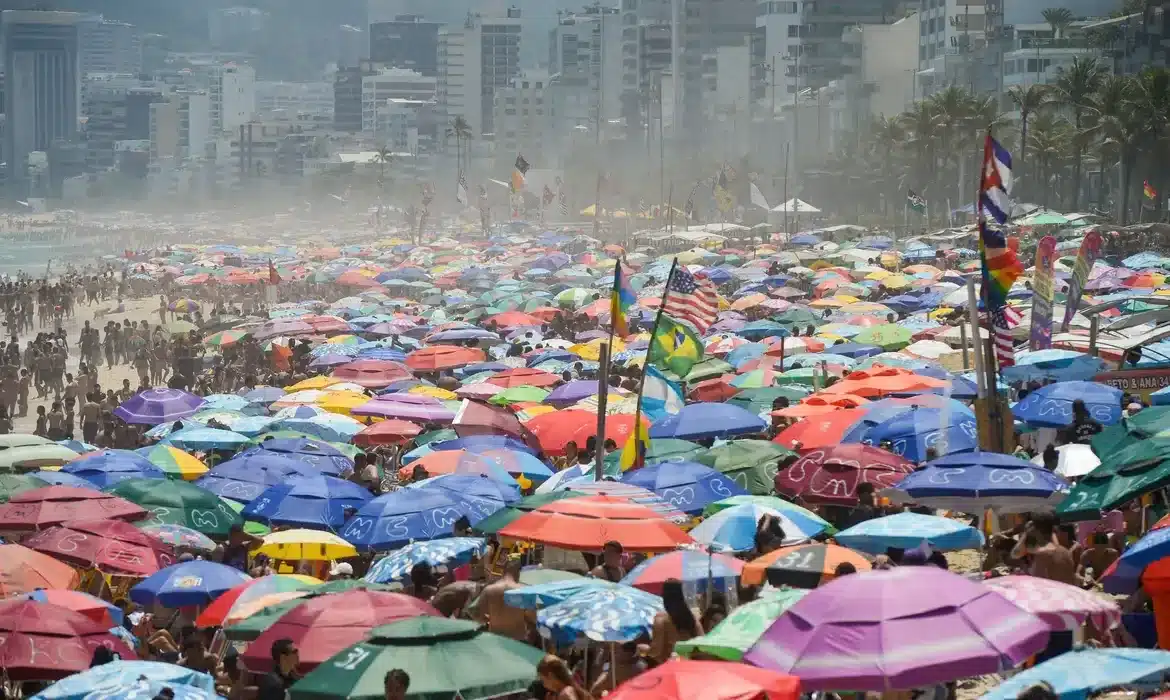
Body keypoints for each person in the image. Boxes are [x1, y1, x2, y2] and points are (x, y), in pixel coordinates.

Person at [470, 555, 529, 641]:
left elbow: (475, 614)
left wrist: (488, 619)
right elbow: (533, 617)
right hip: (517, 640)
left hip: (495, 639)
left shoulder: (489, 590)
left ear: (503, 571)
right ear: (518, 572)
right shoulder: (524, 591)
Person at [649, 578, 703, 664]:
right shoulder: (692, 617)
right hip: (689, 666)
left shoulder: (661, 618)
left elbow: (655, 651)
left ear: (664, 596)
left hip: (669, 667)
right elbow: (702, 645)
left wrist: (642, 649)